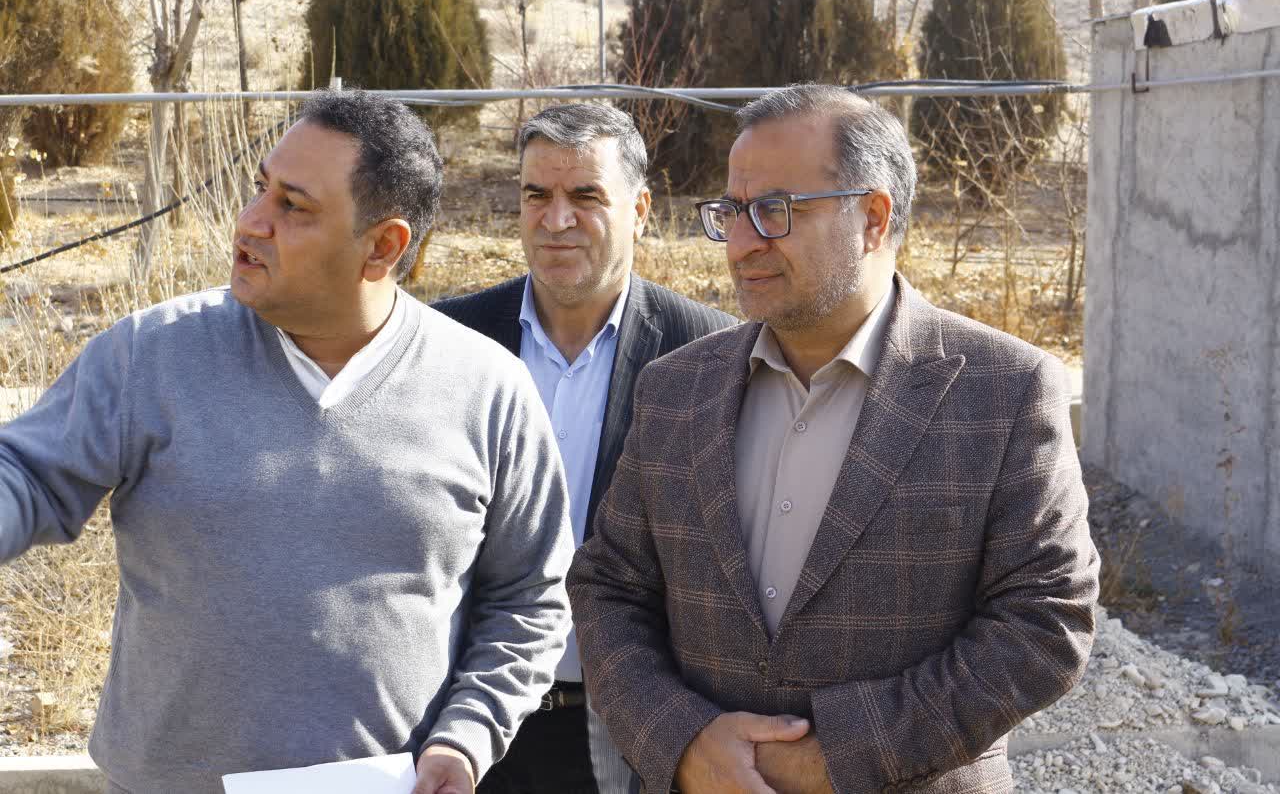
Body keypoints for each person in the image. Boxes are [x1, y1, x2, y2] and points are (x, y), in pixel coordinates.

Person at [0, 89, 574, 794]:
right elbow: (25, 472)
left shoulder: (487, 389)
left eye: (293, 206)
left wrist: (467, 737)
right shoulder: (151, 356)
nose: (250, 221)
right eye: (259, 187)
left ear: (383, 246)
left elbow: (530, 598)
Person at [567, 84, 1100, 794]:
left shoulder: (1003, 389)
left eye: (774, 210)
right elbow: (608, 588)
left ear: (872, 217)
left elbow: (1045, 621)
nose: (742, 243)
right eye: (731, 212)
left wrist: (831, 759)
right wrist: (686, 742)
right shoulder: (674, 389)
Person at [434, 103, 736, 794]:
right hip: (466, 728)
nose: (556, 219)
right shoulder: (450, 342)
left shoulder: (710, 354)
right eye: (536, 195)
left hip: (631, 732)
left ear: (641, 210)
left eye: (585, 196)